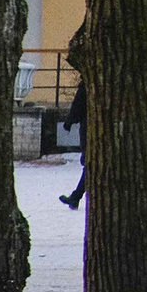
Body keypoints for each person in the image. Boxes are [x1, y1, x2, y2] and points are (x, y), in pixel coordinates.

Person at [57, 80, 85, 211]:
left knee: (89, 165)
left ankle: (76, 197)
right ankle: (76, 197)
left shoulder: (87, 82)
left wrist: (69, 121)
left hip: (88, 126)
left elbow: (78, 103)